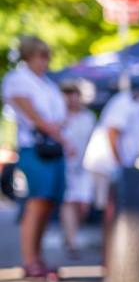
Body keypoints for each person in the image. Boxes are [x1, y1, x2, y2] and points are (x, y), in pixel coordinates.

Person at [1, 36, 67, 280]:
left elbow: (57, 115)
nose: (45, 61)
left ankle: (38, 257)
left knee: (48, 204)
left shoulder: (46, 83)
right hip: (36, 148)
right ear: (28, 56)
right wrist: (62, 137)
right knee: (37, 202)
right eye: (40, 56)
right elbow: (35, 116)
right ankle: (29, 260)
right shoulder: (18, 80)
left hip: (54, 146)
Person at [90, 74, 139, 251]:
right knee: (110, 208)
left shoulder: (138, 106)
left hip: (114, 165)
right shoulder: (125, 103)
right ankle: (108, 252)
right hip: (106, 164)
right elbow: (112, 133)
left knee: (113, 207)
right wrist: (120, 165)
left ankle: (111, 251)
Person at [58, 79, 95, 258]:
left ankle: (70, 234)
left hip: (84, 166)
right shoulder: (58, 117)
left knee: (83, 205)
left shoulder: (88, 118)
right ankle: (72, 241)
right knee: (68, 202)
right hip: (65, 166)